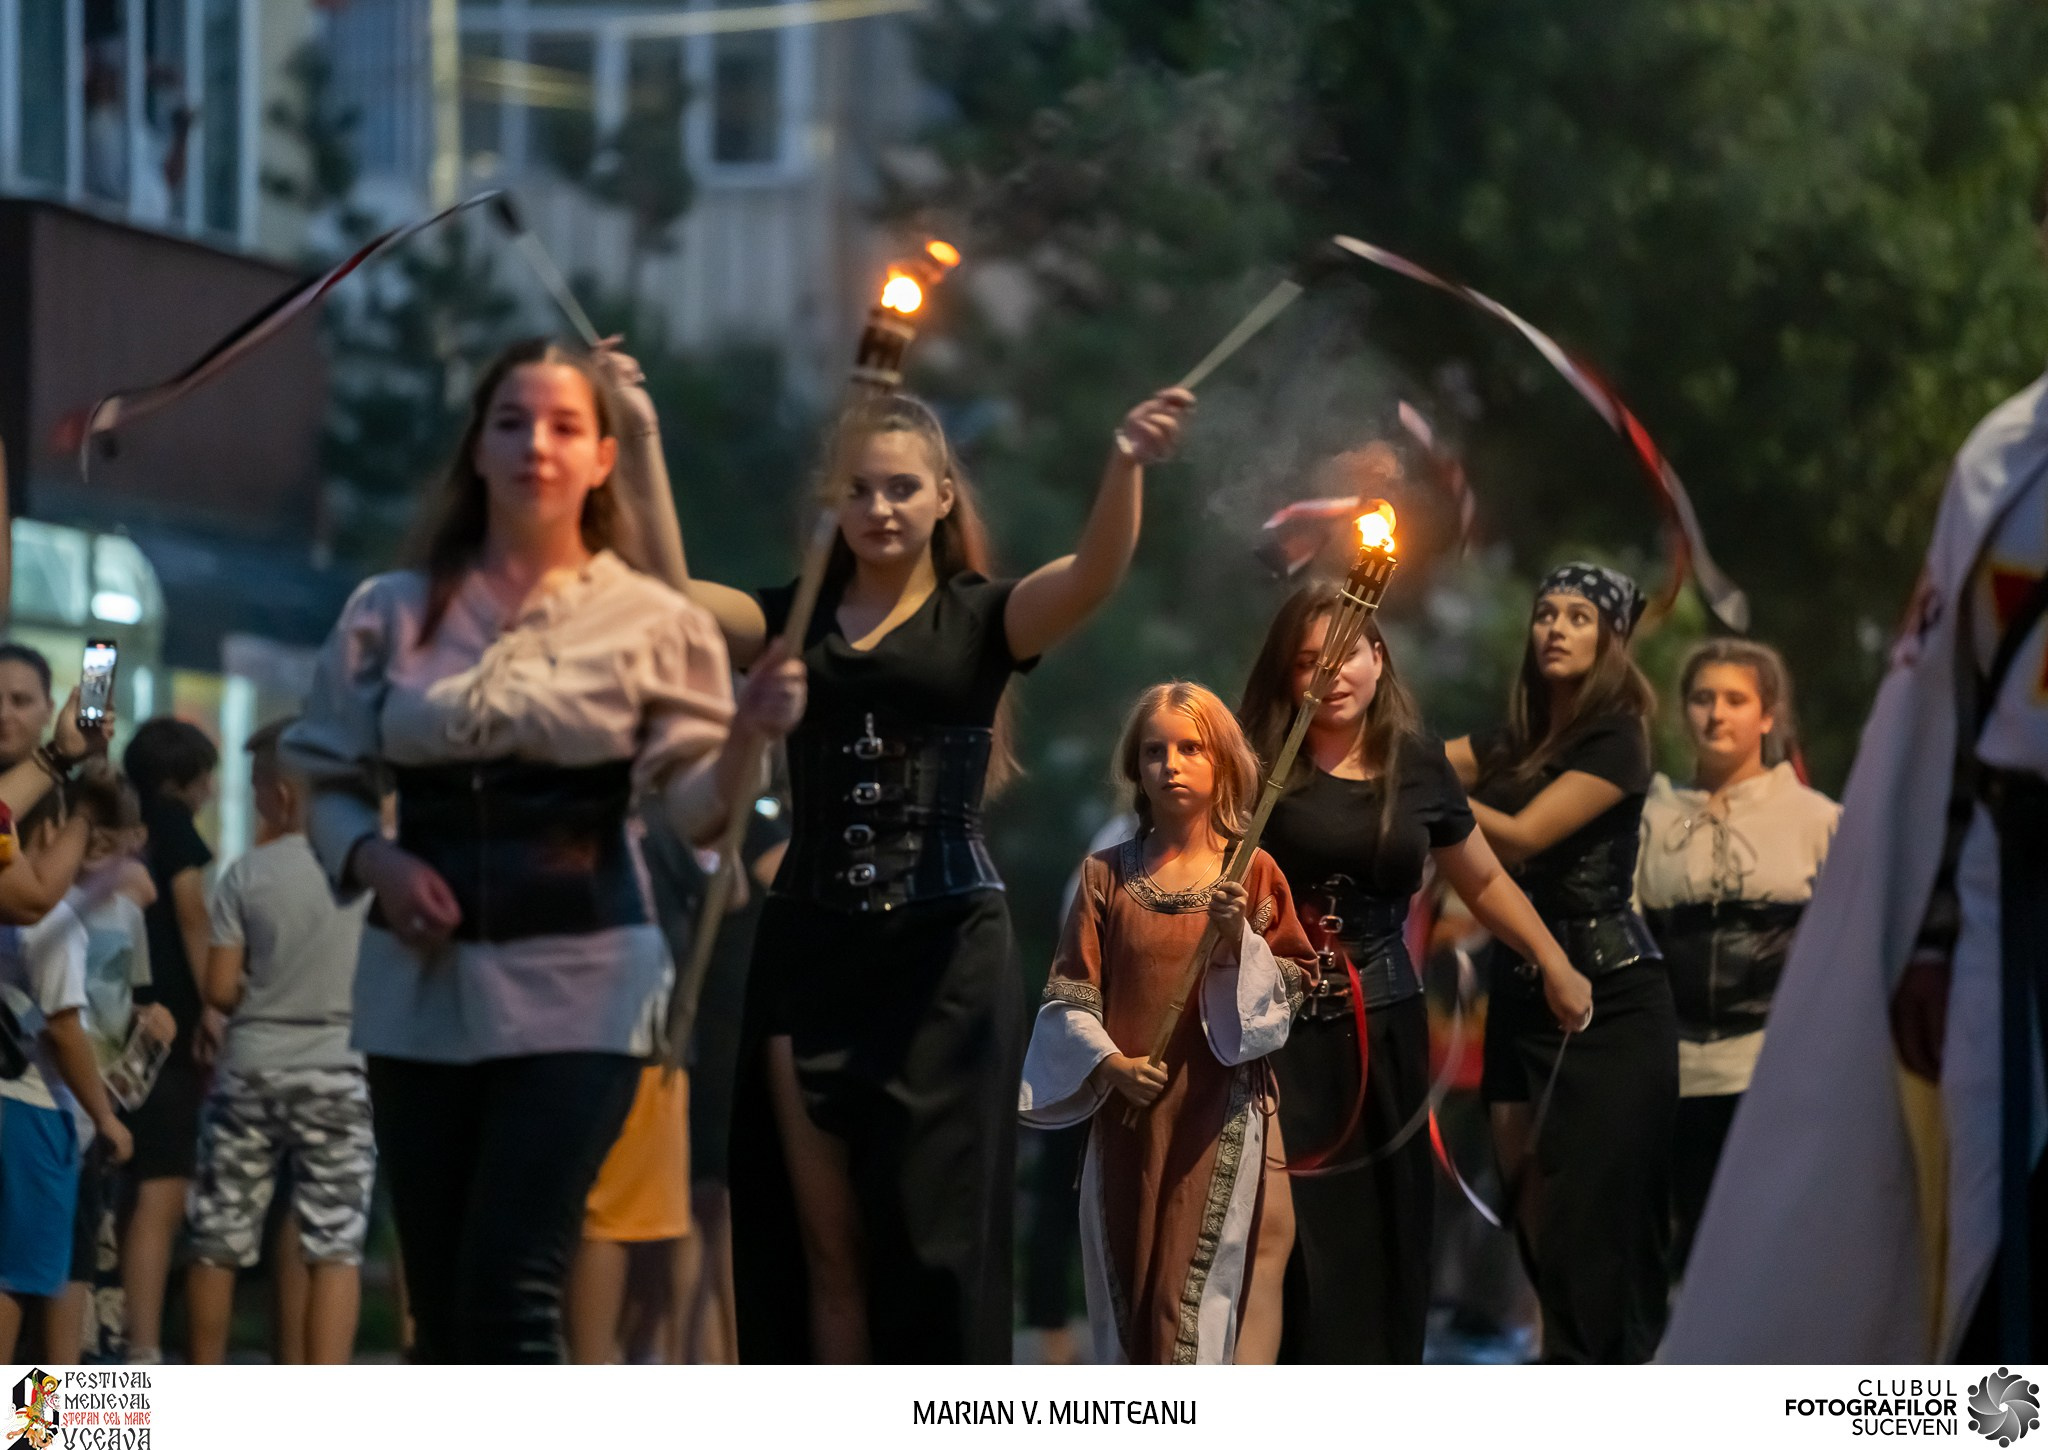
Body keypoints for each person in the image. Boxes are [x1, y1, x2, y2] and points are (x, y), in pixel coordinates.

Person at [284, 338, 805, 1363]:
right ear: (476, 447)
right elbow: (328, 780)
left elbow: (699, 815)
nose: (536, 445)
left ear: (602, 456)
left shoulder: (654, 620)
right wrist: (377, 863)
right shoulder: (387, 609)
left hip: (585, 980)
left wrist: (747, 733)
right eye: (512, 421)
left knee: (512, 1286)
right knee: (436, 1301)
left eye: (565, 425)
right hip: (417, 985)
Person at [684, 384, 1191, 1362]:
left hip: (945, 954)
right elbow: (660, 597)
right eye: (857, 489)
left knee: (929, 1242)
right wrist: (636, 436)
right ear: (830, 503)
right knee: (822, 1248)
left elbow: (1090, 576)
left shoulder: (982, 620)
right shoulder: (785, 622)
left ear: (943, 496)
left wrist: (1123, 460)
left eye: (901, 487)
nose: (878, 507)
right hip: (808, 947)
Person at [1665, 323, 2048, 1363]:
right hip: (2013, 900)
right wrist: (1926, 940)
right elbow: (1940, 735)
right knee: (2003, 1222)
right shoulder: (2005, 464)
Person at [1239, 582, 1591, 1363]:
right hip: (1274, 1033)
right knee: (1282, 1235)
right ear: (1285, 674)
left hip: (1386, 1022)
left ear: (1378, 658)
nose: (1331, 674)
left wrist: (1554, 962)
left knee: (1387, 1228)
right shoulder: (1254, 761)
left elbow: (1487, 881)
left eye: (1347, 655)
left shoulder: (1418, 763)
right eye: (1308, 661)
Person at [1018, 682, 1315, 1363]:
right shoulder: (1105, 877)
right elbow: (1069, 991)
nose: (1171, 764)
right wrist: (1114, 1065)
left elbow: (1294, 985)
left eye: (1190, 748)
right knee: (1128, 1283)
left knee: (1193, 1292)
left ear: (1224, 764)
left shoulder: (1253, 873)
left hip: (1214, 1115)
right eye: (1155, 751)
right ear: (1135, 767)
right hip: (1129, 1112)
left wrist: (1240, 938)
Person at [1446, 562, 1673, 1364]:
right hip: (1519, 986)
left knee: (1594, 1207)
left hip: (1606, 991)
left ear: (1610, 637)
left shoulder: (1620, 735)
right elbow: (1406, 761)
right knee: (1526, 1192)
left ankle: (1603, 1371)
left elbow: (1527, 835)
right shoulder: (1511, 739)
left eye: (1579, 616)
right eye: (1547, 613)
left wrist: (1418, 794)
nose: (1556, 628)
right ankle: (1561, 1356)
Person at [1635, 641, 1838, 1280]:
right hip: (1670, 1078)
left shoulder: (1820, 821)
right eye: (1702, 698)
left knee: (1770, 1265)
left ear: (1768, 715)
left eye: (1735, 699)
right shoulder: (1647, 821)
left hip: (1778, 1077)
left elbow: (1849, 955)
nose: (1716, 715)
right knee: (1674, 1267)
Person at [184, 720, 374, 1364]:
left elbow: (218, 989)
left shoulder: (247, 874)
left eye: (261, 787)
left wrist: (263, 989)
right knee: (335, 1246)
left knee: (218, 1238)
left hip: (251, 1071)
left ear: (287, 794)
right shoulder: (367, 870)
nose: (258, 799)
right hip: (340, 1073)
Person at [0, 791, 134, 1361]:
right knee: (18, 1279)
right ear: (52, 829)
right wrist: (106, 1118)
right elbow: (64, 1029)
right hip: (33, 1111)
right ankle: (29, 1430)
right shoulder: (49, 919)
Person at [58, 772, 173, 1364]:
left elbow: (120, 997)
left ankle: (61, 1416)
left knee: (87, 1252)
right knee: (58, 1261)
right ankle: (41, 1418)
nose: (102, 840)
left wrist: (149, 1020)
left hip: (103, 1103)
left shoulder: (127, 912)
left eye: (114, 828)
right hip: (61, 1101)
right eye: (90, 825)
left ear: (134, 837)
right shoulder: (43, 904)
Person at [118, 717, 218, 1365]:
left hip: (119, 1020)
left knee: (130, 1184)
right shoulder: (174, 824)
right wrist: (217, 999)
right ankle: (144, 1348)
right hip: (167, 1033)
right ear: (187, 780)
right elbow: (191, 913)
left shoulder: (123, 823)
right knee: (163, 1188)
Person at [0, 644, 56, 773]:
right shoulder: (58, 766)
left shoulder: (71, 790)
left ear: (49, 709)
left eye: (20, 701)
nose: (3, 714)